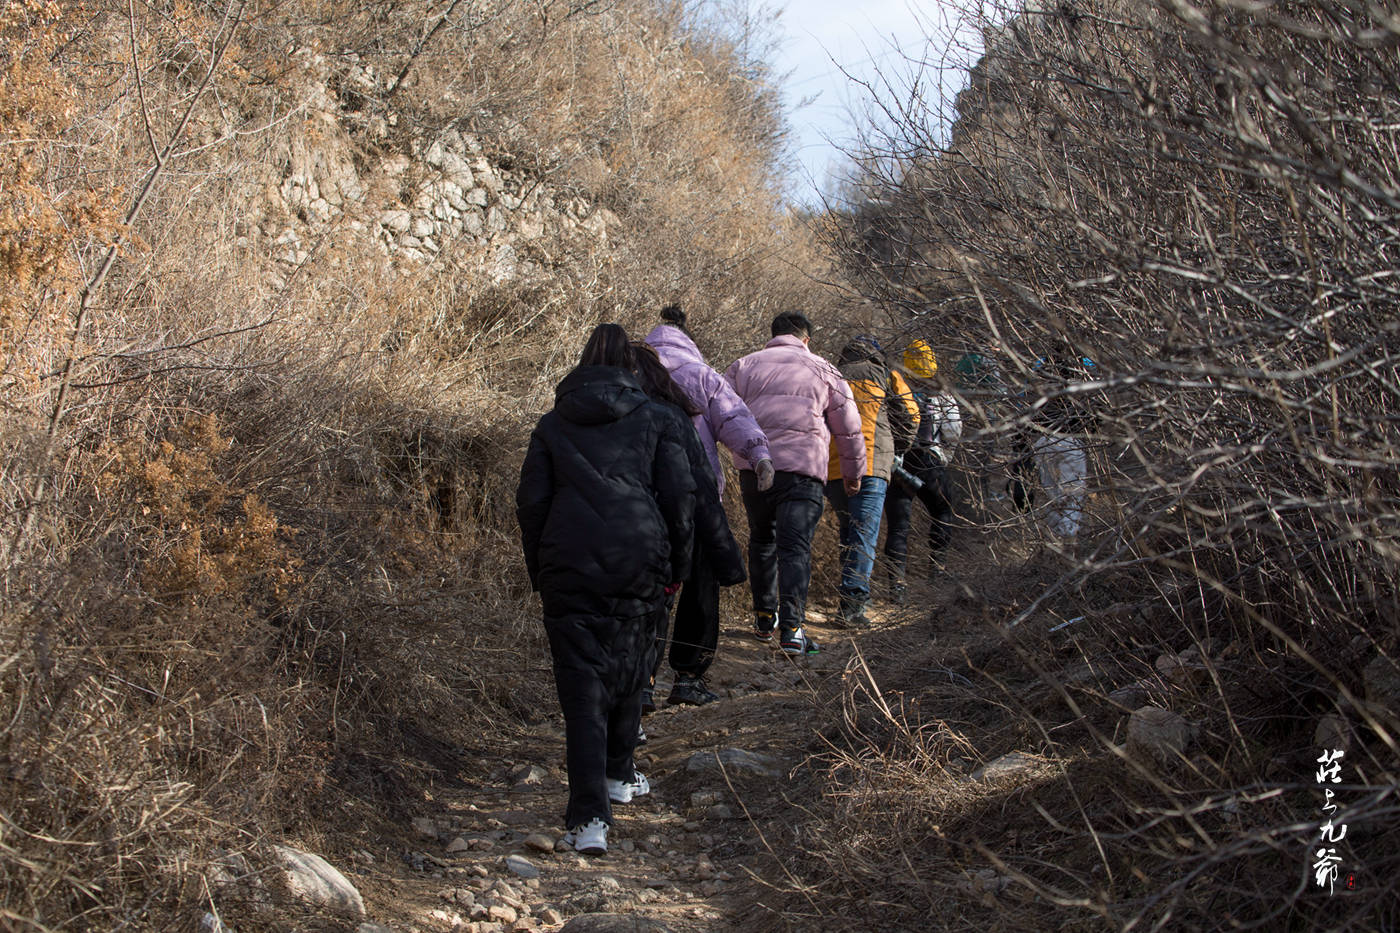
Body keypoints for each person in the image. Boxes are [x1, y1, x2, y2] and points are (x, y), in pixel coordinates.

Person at [516, 323, 696, 857]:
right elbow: (680, 497)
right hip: (640, 556)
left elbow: (530, 504)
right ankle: (618, 774)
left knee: (581, 688)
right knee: (630, 667)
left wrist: (540, 569)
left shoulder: (552, 424)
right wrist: (677, 565)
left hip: (567, 563)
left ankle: (589, 816)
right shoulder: (658, 417)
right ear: (630, 367)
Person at [643, 306, 770, 706]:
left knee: (648, 591)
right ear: (687, 337)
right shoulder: (700, 374)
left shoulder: (631, 373)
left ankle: (640, 681)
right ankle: (687, 678)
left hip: (640, 500)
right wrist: (759, 456)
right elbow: (735, 417)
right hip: (697, 499)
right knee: (700, 585)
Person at [724, 311, 865, 656]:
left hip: (755, 468)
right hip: (803, 470)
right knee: (795, 547)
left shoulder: (743, 366)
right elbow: (848, 426)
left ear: (772, 336)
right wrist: (853, 472)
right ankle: (792, 629)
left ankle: (762, 618)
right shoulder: (824, 369)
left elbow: (722, 413)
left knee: (762, 540)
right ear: (806, 339)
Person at [823, 335, 919, 626]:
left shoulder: (830, 375)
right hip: (871, 464)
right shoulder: (887, 375)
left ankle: (855, 596)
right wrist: (895, 447)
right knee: (864, 534)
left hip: (834, 466)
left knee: (848, 532)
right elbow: (911, 416)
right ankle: (852, 605)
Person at [882, 340, 962, 602]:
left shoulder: (896, 392)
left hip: (901, 464)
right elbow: (953, 433)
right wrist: (942, 459)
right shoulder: (943, 396)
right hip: (931, 464)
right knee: (942, 513)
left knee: (898, 527)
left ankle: (897, 586)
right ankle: (936, 575)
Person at [1028, 355, 1097, 539]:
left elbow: (1026, 399)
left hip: (1043, 437)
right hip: (1070, 438)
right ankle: (1066, 538)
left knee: (1049, 491)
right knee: (1072, 494)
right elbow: (1096, 400)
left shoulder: (1040, 363)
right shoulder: (1085, 365)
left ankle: (1052, 537)